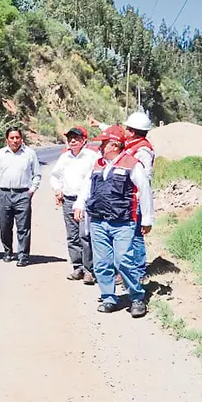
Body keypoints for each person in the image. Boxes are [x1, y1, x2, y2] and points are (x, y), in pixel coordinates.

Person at [73, 125, 154, 318]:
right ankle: (108, 297)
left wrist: (147, 219)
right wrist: (79, 204)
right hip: (98, 221)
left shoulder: (132, 164)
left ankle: (136, 297)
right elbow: (87, 186)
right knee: (102, 263)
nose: (100, 146)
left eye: (104, 143)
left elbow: (145, 191)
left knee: (124, 261)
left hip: (123, 222)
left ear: (115, 145)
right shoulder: (98, 164)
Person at [90, 111, 156, 281]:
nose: (124, 130)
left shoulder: (143, 151)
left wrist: (144, 211)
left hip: (134, 198)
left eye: (127, 128)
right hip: (124, 196)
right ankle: (125, 270)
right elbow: (114, 135)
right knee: (128, 235)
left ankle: (139, 272)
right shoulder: (132, 142)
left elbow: (144, 180)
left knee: (135, 235)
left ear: (133, 131)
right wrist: (100, 125)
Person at [49, 126, 100, 284]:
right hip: (68, 201)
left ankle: (89, 270)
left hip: (86, 201)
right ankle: (77, 267)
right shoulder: (65, 157)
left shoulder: (92, 156)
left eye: (76, 138)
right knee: (72, 236)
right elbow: (54, 176)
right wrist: (57, 189)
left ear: (84, 140)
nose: (72, 141)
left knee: (85, 235)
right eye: (70, 138)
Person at [0, 127, 41, 266]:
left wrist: (31, 190)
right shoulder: (0, 154)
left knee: (23, 227)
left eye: (17, 137)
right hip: (4, 193)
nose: (15, 140)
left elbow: (37, 174)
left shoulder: (30, 154)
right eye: (12, 138)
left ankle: (23, 255)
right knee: (5, 226)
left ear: (21, 138)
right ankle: (8, 251)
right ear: (7, 140)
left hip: (23, 194)